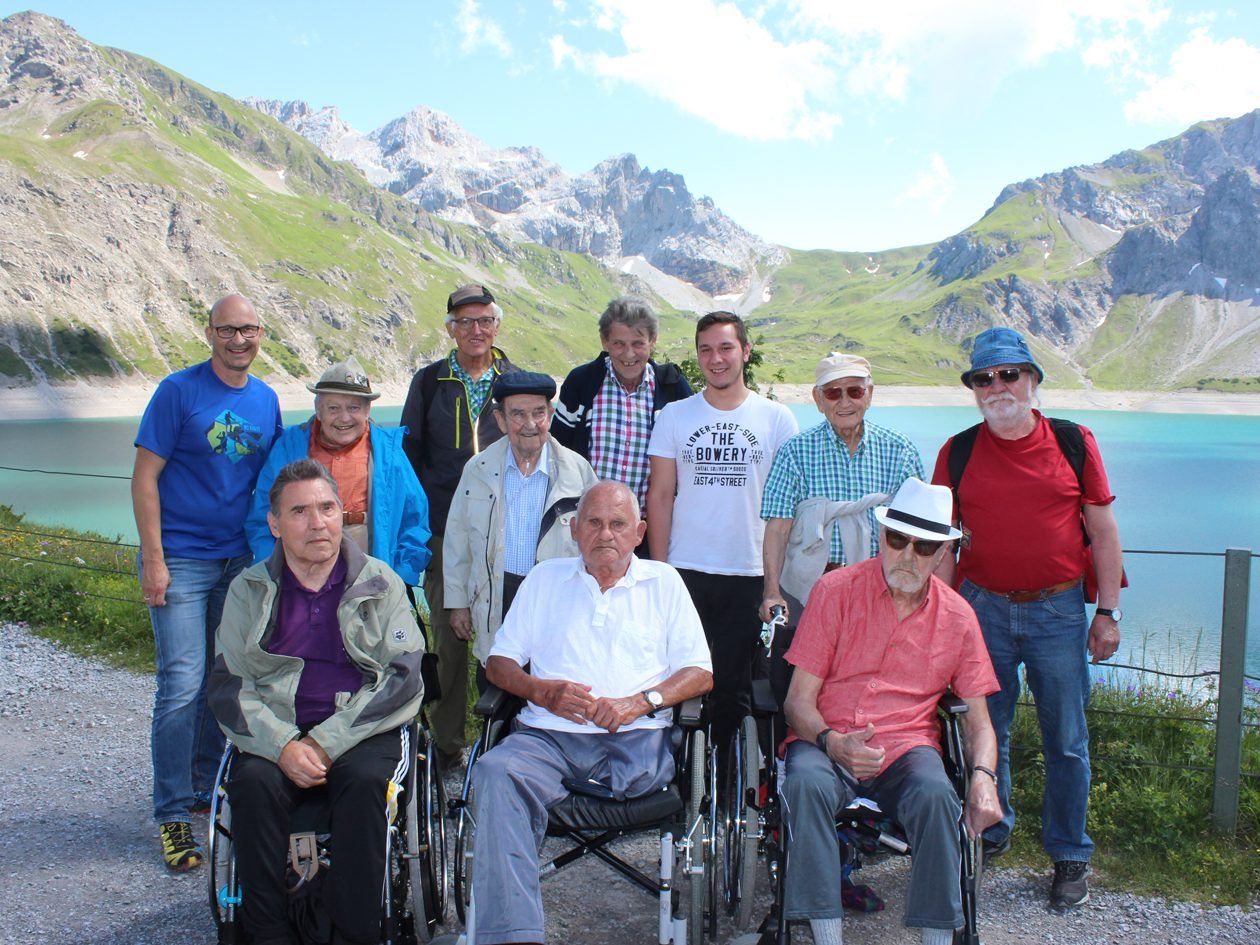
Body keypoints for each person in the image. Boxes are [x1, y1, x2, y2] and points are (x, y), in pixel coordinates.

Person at [471, 480, 713, 945]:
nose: (606, 534)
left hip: (637, 744)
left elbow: (700, 673)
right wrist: (540, 691)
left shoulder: (665, 583)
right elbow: (500, 664)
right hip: (548, 740)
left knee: (520, 783)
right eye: (594, 523)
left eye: (618, 524)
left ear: (639, 532)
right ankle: (513, 936)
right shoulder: (544, 579)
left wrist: (640, 702)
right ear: (574, 529)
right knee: (496, 772)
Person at [931, 326, 1124, 910]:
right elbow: (942, 544)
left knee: (1067, 739)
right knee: (989, 729)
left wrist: (1108, 612)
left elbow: (1104, 530)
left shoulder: (1073, 442)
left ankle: (1069, 854)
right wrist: (940, 620)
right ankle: (992, 829)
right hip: (981, 609)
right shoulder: (957, 451)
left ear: (1034, 380)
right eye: (983, 379)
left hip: (1059, 610)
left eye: (1009, 374)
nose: (997, 387)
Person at [209, 459, 426, 945]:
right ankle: (266, 934)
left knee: (366, 782)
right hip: (277, 731)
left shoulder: (379, 582)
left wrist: (326, 743)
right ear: (274, 523)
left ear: (341, 513)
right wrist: (284, 745)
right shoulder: (249, 590)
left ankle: (354, 933)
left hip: (358, 728)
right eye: (300, 511)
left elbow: (403, 677)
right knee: (254, 787)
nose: (318, 523)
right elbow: (228, 685)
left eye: (327, 508)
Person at [782, 478, 1002, 945]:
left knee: (938, 796)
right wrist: (832, 743)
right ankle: (826, 936)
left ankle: (938, 938)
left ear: (943, 551)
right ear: (881, 537)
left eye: (924, 547)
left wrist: (983, 777)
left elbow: (978, 721)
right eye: (898, 539)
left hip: (906, 746)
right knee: (804, 784)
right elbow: (797, 700)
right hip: (827, 737)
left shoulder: (959, 617)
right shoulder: (834, 591)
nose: (908, 555)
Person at [131, 293, 282, 871]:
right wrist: (153, 557)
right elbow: (145, 478)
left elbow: (268, 481)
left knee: (223, 676)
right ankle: (171, 816)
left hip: (237, 559)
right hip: (183, 559)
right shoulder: (178, 391)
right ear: (209, 332)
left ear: (260, 332)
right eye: (227, 330)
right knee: (181, 681)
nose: (238, 340)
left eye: (247, 330)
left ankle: (205, 787)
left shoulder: (266, 399)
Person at [646, 310, 797, 745]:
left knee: (732, 683)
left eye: (726, 347)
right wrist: (660, 570)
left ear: (745, 352)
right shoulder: (675, 416)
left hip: (746, 570)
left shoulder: (776, 419)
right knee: (673, 675)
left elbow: (784, 507)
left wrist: (773, 580)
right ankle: (674, 771)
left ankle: (729, 779)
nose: (716, 358)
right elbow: (660, 495)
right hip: (685, 568)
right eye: (706, 349)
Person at [400, 284, 520, 768]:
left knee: (509, 638)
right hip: (444, 531)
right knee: (450, 643)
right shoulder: (429, 382)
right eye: (465, 322)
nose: (476, 330)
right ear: (450, 328)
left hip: (506, 531)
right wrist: (416, 529)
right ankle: (448, 744)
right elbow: (409, 459)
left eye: (485, 320)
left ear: (497, 325)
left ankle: (509, 740)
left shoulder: (514, 380)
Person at [445, 371, 598, 674]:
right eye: (518, 414)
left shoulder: (578, 472)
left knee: (552, 680)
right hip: (499, 593)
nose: (530, 424)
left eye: (538, 413)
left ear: (550, 415)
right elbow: (457, 540)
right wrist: (458, 603)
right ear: (500, 420)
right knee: (498, 678)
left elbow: (596, 542)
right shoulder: (478, 470)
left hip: (557, 595)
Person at [760, 352, 924, 624]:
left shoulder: (900, 450)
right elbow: (778, 528)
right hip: (808, 591)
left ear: (869, 395)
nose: (845, 402)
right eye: (834, 393)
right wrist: (772, 592)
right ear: (819, 400)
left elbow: (917, 531)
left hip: (881, 591)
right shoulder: (795, 452)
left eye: (855, 391)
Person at [245, 356, 431, 585]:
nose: (344, 418)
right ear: (318, 409)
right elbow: (262, 515)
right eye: (333, 408)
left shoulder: (388, 450)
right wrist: (275, 571)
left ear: (367, 410)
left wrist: (401, 577)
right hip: (301, 563)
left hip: (371, 561)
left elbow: (415, 519)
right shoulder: (289, 446)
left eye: (354, 407)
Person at [550, 296, 692, 510]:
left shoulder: (673, 388)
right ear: (604, 341)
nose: (629, 354)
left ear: (652, 341)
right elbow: (556, 452)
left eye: (638, 344)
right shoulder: (581, 383)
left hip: (649, 527)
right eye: (618, 344)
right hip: (588, 523)